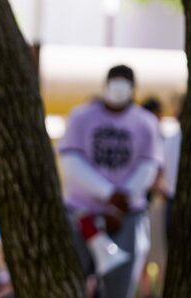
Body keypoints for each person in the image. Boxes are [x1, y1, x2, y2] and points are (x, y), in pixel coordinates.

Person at [59, 64, 163, 298]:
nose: (119, 86)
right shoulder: (81, 116)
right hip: (81, 214)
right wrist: (108, 194)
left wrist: (121, 201)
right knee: (71, 282)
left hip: (127, 217)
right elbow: (71, 161)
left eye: (125, 80)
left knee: (120, 288)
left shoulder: (146, 122)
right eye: (115, 80)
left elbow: (149, 165)